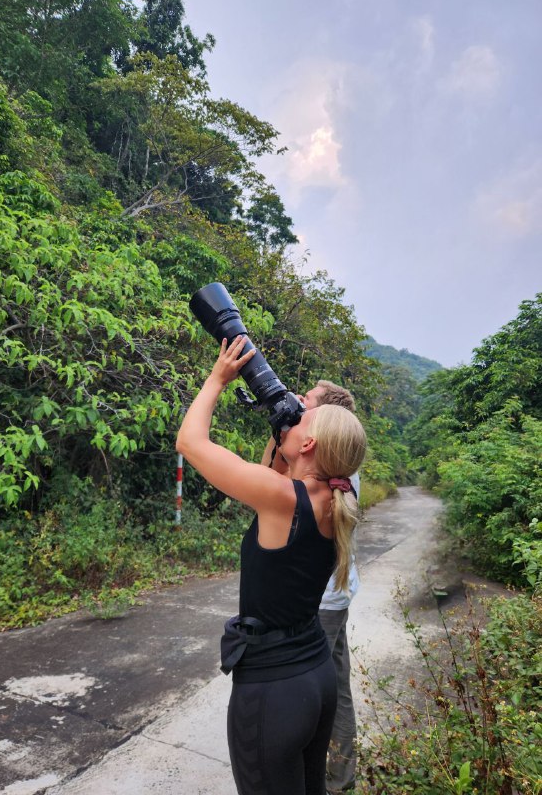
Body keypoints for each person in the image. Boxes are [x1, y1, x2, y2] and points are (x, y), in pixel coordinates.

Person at [177, 338, 367, 795]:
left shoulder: (286, 499)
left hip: (273, 688)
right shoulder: (336, 498)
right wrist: (283, 431)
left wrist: (218, 378)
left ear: (309, 441)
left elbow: (190, 441)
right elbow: (281, 473)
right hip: (315, 676)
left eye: (301, 415)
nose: (292, 410)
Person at [262, 381, 361, 794]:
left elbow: (269, 484)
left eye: (307, 401)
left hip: (317, 600)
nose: (299, 401)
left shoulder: (320, 466)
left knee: (303, 694)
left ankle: (310, 777)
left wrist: (283, 432)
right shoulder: (341, 453)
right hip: (336, 594)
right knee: (337, 686)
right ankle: (341, 779)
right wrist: (282, 426)